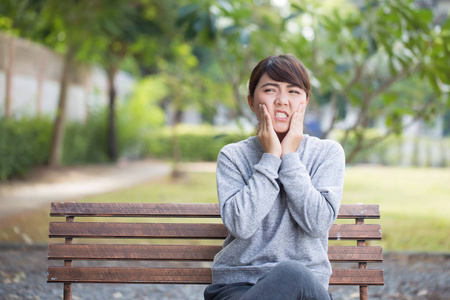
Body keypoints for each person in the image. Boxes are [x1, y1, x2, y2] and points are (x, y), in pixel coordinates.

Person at [204, 54, 345, 300]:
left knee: (293, 274)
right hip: (238, 287)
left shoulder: (327, 153)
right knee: (290, 273)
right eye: (270, 90)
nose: (281, 101)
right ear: (251, 101)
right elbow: (241, 225)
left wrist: (289, 157)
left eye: (293, 92)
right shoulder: (233, 156)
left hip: (305, 289)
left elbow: (317, 223)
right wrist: (270, 157)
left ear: (305, 102)